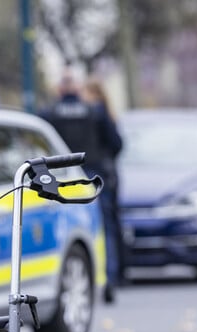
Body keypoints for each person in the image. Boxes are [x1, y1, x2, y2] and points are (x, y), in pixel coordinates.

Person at [41, 70, 124, 303]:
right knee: (103, 230)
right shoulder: (95, 113)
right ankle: (108, 279)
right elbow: (116, 144)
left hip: (61, 179)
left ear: (59, 90)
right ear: (77, 89)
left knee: (64, 232)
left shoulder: (49, 114)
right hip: (93, 178)